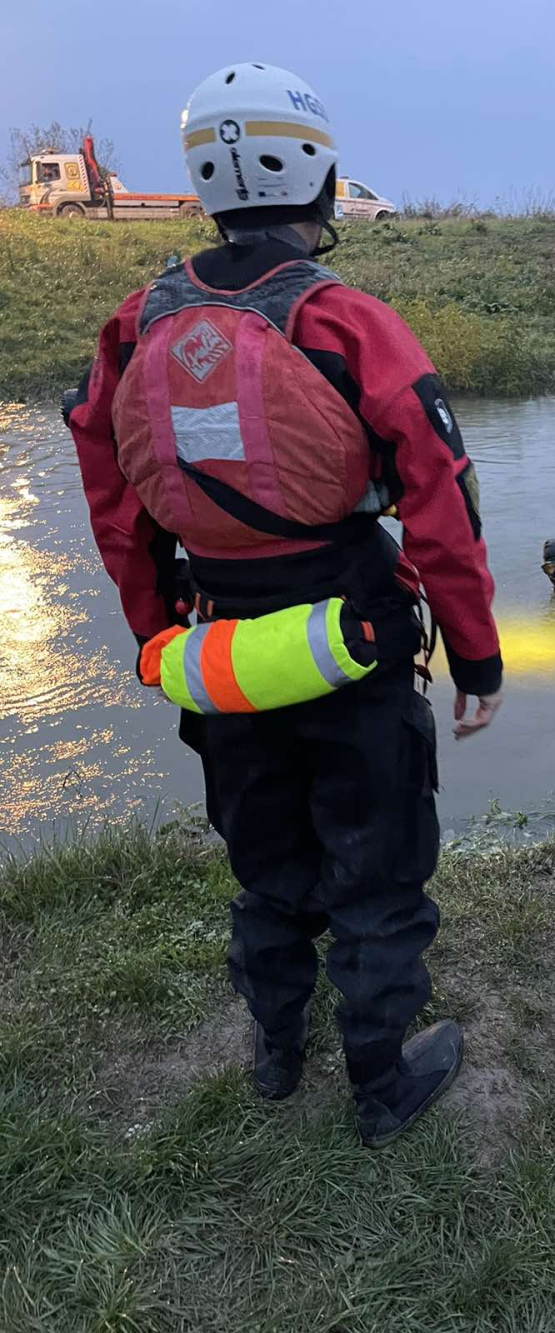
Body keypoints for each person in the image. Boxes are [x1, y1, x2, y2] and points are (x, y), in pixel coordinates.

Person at [64, 63, 503, 1145]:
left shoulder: (134, 326)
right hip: (351, 640)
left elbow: (113, 502)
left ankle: (274, 1053)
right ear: (319, 174)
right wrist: (480, 657)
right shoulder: (349, 320)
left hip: (218, 646)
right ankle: (381, 1081)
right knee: (378, 865)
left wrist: (157, 632)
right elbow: (442, 497)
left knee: (266, 862)